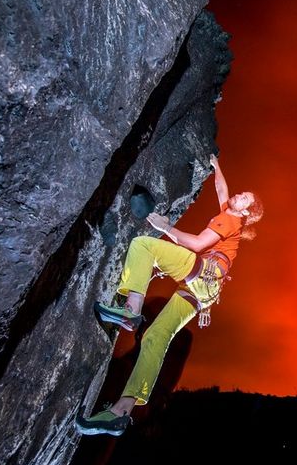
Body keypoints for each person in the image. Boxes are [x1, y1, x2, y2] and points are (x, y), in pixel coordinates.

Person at [75, 154, 263, 436]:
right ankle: (121, 411)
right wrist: (217, 166)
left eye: (244, 198)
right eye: (242, 193)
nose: (238, 195)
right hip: (204, 293)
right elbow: (223, 191)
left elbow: (198, 243)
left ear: (246, 212)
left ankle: (132, 310)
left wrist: (165, 228)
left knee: (143, 246)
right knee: (155, 337)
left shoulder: (231, 220)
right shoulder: (230, 213)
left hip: (204, 275)